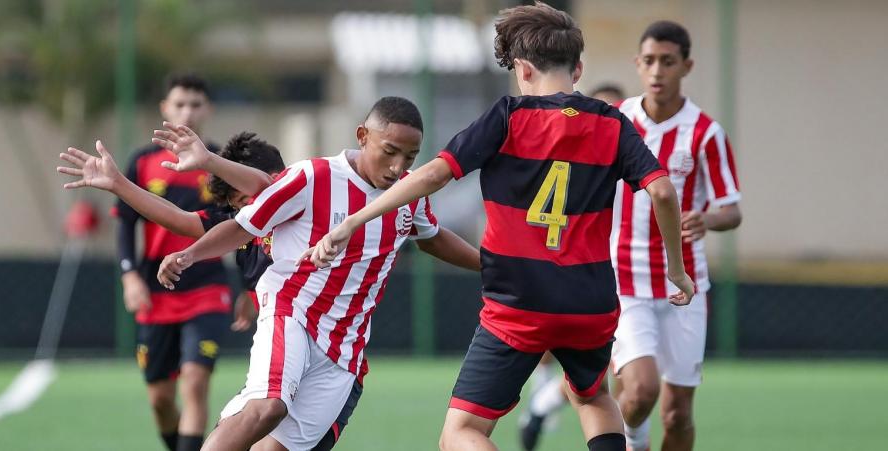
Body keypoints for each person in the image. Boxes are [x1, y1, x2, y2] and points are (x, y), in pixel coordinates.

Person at [304, 4, 695, 451]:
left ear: (523, 70)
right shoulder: (613, 123)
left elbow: (434, 174)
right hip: (590, 302)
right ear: (579, 68)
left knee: (461, 433)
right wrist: (677, 270)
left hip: (518, 302)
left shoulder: (508, 116)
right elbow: (663, 192)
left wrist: (353, 220)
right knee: (593, 397)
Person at [155, 96, 481, 451]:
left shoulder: (410, 193)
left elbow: (432, 238)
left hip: (344, 346)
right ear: (362, 136)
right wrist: (189, 255)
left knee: (273, 448)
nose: (397, 166)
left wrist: (492, 265)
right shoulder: (313, 176)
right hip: (291, 309)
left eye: (409, 157)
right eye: (389, 151)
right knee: (267, 407)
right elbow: (243, 226)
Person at [57, 131, 373, 450]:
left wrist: (209, 160)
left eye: (242, 200)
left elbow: (267, 185)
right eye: (238, 205)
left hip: (339, 355)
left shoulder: (306, 192)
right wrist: (118, 184)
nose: (245, 211)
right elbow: (181, 220)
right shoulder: (240, 224)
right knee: (265, 413)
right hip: (292, 337)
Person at [610, 21, 742, 451]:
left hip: (683, 287)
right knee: (641, 392)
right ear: (637, 63)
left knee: (678, 413)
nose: (657, 71)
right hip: (625, 282)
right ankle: (634, 441)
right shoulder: (618, 121)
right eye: (649, 61)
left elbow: (731, 210)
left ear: (686, 66)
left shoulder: (706, 133)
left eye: (668, 62)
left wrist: (709, 220)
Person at [111, 73, 230, 451]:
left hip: (207, 288)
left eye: (195, 105)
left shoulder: (219, 166)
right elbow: (125, 225)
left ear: (207, 110)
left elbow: (241, 230)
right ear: (165, 108)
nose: (187, 112)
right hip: (156, 292)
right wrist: (130, 277)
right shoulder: (142, 163)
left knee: (195, 382)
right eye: (179, 104)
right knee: (161, 400)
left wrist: (246, 289)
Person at [518, 81, 628, 450]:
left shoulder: (632, 152)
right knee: (608, 382)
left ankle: (541, 405)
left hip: (632, 275)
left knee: (619, 384)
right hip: (587, 274)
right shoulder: (570, 159)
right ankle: (541, 402)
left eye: (617, 110)